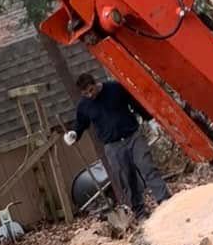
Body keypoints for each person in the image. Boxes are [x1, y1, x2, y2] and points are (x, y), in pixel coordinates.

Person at [63, 72, 170, 217]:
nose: (90, 95)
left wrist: (149, 119)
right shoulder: (84, 106)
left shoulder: (115, 89)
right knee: (127, 178)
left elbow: (135, 103)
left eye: (91, 90)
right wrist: (74, 134)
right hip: (112, 146)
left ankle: (165, 201)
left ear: (95, 84)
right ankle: (139, 213)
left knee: (147, 167)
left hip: (132, 136)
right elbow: (81, 123)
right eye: (85, 93)